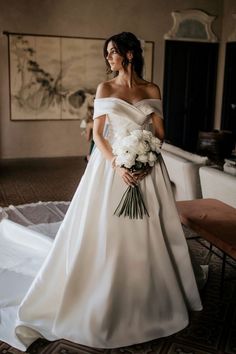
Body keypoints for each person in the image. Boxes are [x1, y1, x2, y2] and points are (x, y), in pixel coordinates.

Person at [0, 32, 202, 351]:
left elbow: (160, 134)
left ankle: (154, 294)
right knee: (107, 231)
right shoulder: (105, 88)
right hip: (111, 169)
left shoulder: (152, 89)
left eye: (113, 52)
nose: (108, 58)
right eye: (106, 53)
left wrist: (148, 158)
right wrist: (119, 166)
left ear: (130, 55)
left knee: (150, 229)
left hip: (148, 169)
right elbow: (98, 136)